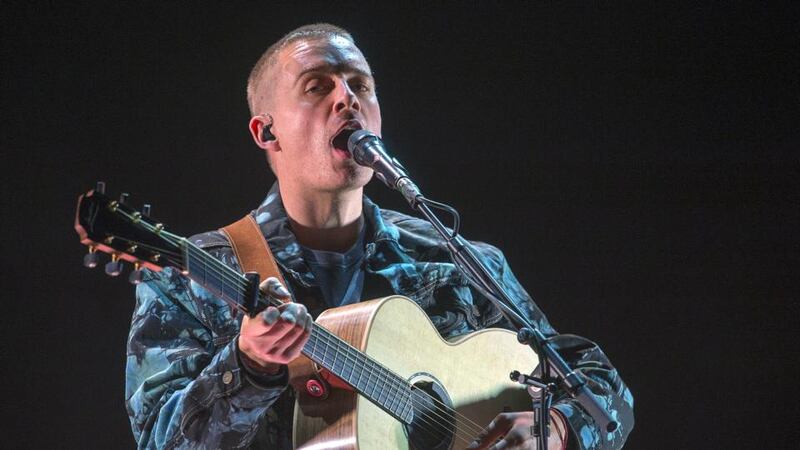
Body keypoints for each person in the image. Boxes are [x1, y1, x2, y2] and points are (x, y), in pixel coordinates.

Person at [125, 23, 634, 449]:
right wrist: (250, 366)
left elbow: (602, 393)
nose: (346, 99)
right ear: (266, 132)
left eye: (360, 85)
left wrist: (558, 428)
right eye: (317, 86)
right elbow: (158, 440)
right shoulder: (189, 274)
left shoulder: (452, 258)